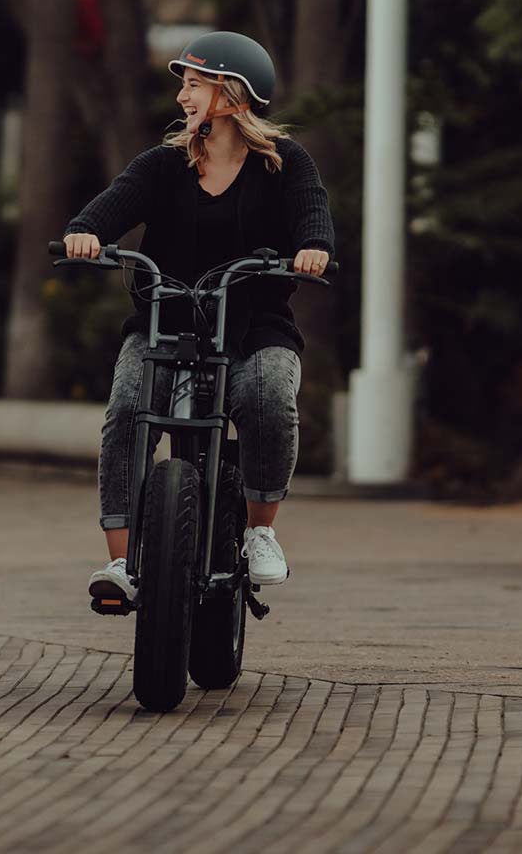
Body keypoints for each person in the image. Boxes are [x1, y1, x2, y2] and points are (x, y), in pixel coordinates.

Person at [61, 31, 336, 604]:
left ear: (232, 95)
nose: (183, 97)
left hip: (255, 322)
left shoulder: (284, 164)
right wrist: (84, 233)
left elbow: (312, 210)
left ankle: (260, 529)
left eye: (194, 85)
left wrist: (314, 246)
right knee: (126, 410)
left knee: (267, 396)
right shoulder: (165, 164)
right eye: (183, 86)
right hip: (166, 319)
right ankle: (122, 565)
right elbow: (114, 203)